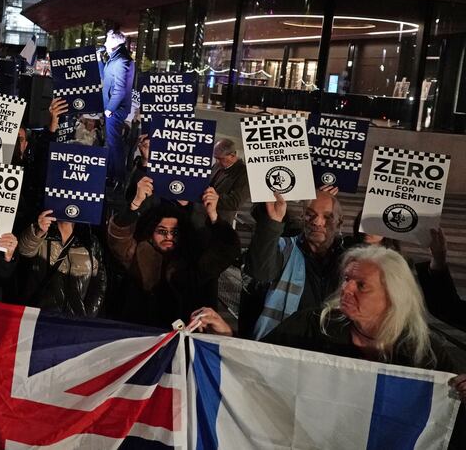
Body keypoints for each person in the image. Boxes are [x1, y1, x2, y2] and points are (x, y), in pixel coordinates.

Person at [193, 246, 466, 403]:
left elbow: (445, 418)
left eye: (361, 285)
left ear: (394, 295)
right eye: (346, 279)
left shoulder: (425, 353)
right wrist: (229, 336)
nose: (346, 289)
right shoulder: (312, 324)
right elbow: (260, 364)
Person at [106, 178, 240, 328]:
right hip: (139, 334)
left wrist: (214, 216)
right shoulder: (137, 253)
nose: (169, 236)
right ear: (151, 233)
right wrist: (135, 204)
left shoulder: (194, 258)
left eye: (174, 232)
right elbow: (118, 237)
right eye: (162, 231)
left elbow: (226, 250)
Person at [243, 189, 347, 340]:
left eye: (327, 216)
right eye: (310, 214)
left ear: (339, 223)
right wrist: (273, 222)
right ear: (302, 217)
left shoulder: (349, 261)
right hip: (283, 345)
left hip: (330, 351)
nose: (317, 222)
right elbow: (260, 272)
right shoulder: (284, 248)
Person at [18, 209, 107, 318]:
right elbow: (25, 250)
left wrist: (87, 317)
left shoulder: (90, 241)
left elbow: (99, 284)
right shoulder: (42, 234)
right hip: (40, 318)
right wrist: (38, 231)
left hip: (74, 323)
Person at [101, 29, 135, 187]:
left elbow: (120, 89)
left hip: (115, 110)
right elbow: (106, 76)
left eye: (107, 40)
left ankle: (119, 178)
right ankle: (113, 175)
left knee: (115, 144)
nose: (105, 43)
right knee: (113, 142)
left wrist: (110, 108)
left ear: (114, 42)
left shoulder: (121, 61)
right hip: (113, 109)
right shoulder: (116, 58)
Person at [203, 138, 250, 226]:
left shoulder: (244, 173)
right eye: (216, 158)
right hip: (202, 218)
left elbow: (235, 202)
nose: (217, 162)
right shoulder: (217, 165)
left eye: (220, 159)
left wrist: (213, 198)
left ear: (232, 155)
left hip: (220, 222)